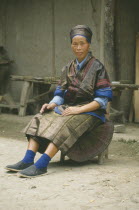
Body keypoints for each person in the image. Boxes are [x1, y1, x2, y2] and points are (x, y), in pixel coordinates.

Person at [5, 25, 112, 178]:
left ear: (89, 44)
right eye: (75, 44)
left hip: (91, 111)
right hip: (69, 107)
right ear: (71, 45)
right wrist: (53, 104)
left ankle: (42, 165)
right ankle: (28, 160)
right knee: (40, 117)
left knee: (65, 123)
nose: (79, 47)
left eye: (82, 43)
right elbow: (60, 93)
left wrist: (78, 110)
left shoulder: (98, 67)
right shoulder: (68, 67)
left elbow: (102, 100)